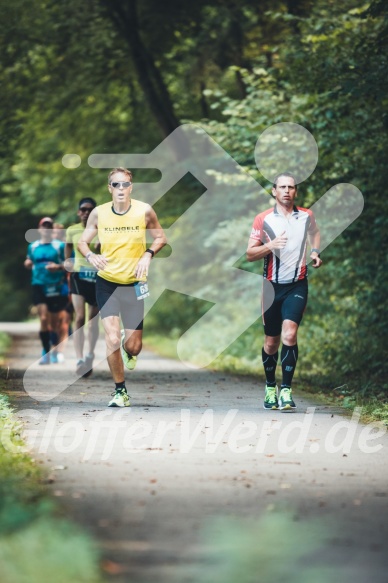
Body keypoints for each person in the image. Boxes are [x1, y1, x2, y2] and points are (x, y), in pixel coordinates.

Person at [78, 168, 167, 407]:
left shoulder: (144, 210)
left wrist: (148, 254)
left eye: (124, 184)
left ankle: (130, 350)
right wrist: (89, 256)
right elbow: (82, 241)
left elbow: (161, 237)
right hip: (106, 283)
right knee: (111, 337)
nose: (120, 189)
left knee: (134, 347)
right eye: (115, 185)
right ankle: (120, 391)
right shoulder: (99, 213)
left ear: (131, 187)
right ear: (109, 188)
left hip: (135, 284)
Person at [246, 173, 323, 411]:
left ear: (295, 191)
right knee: (271, 343)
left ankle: (286, 391)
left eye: (291, 187)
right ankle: (271, 386)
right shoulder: (263, 219)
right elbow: (250, 253)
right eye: (282, 187)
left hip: (297, 284)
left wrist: (315, 251)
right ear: (274, 191)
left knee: (290, 334)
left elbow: (315, 233)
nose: (287, 191)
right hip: (271, 287)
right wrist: (270, 245)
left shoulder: (306, 215)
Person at [24, 217, 68, 364]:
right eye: (44, 226)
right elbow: (29, 260)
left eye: (49, 226)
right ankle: (45, 351)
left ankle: (56, 350)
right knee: (43, 318)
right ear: (40, 229)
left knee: (55, 323)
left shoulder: (59, 246)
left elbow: (69, 263)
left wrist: (58, 267)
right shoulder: (33, 246)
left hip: (56, 285)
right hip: (39, 284)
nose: (46, 229)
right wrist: (28, 263)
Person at [65, 198, 100, 377]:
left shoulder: (102, 230)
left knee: (93, 322)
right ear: (79, 212)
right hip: (79, 277)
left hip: (97, 277)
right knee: (79, 317)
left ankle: (90, 355)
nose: (86, 212)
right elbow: (68, 246)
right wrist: (67, 262)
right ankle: (79, 358)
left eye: (90, 210)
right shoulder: (72, 230)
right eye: (83, 209)